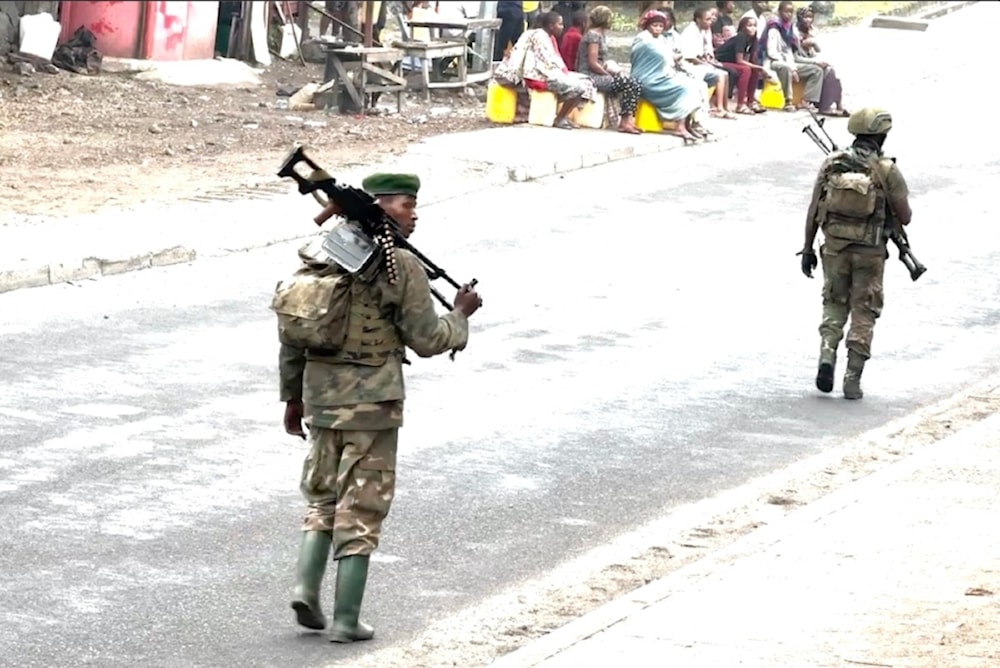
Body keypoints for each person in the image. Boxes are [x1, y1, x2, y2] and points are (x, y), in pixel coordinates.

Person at [278, 172, 483, 641]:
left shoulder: (321, 255)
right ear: (382, 208)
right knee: (363, 506)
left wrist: (293, 397)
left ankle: (306, 589)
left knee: (323, 497)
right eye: (406, 205)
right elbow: (428, 340)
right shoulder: (401, 266)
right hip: (374, 403)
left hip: (323, 399)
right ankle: (347, 620)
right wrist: (460, 313)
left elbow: (292, 332)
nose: (414, 214)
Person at [797, 108, 912, 400]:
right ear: (882, 136)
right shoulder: (887, 170)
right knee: (865, 310)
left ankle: (826, 355)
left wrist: (808, 248)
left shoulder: (832, 163)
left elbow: (814, 209)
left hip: (834, 247)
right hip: (870, 253)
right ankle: (852, 379)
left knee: (834, 303)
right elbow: (905, 216)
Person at [494, 11, 598, 129]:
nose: (562, 27)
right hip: (535, 76)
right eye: (560, 24)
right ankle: (560, 118)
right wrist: (562, 74)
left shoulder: (539, 35)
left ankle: (564, 116)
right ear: (551, 26)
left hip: (536, 73)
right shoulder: (541, 37)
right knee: (579, 87)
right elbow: (547, 62)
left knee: (582, 82)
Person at [630, 10, 708, 142]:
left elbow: (669, 55)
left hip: (661, 75)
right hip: (648, 79)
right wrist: (674, 57)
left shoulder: (660, 39)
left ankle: (687, 124)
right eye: (654, 25)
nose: (658, 28)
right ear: (648, 25)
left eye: (660, 26)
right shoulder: (643, 40)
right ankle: (680, 126)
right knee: (686, 89)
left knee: (695, 85)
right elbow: (664, 55)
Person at [577, 5, 642, 134]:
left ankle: (628, 120)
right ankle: (624, 122)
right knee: (629, 84)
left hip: (598, 72)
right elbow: (593, 63)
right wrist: (608, 75)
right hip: (590, 74)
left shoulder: (601, 35)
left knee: (635, 83)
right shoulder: (593, 36)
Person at [758, 0, 824, 112]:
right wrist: (791, 66)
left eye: (791, 12)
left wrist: (793, 65)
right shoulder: (774, 27)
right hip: (772, 61)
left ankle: (805, 100)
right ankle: (788, 101)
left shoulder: (789, 28)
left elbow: (789, 50)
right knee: (786, 68)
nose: (788, 14)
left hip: (788, 60)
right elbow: (772, 52)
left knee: (816, 70)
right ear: (780, 12)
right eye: (786, 12)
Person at [679, 6, 735, 119]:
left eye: (711, 19)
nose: (711, 21)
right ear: (698, 20)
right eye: (707, 19)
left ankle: (724, 107)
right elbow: (689, 56)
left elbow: (707, 50)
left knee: (725, 73)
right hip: (688, 65)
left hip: (700, 62)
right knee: (719, 75)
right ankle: (719, 108)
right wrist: (705, 64)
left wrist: (710, 60)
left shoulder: (705, 30)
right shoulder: (690, 32)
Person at [797, 6, 848, 117]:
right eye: (805, 17)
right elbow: (795, 56)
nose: (808, 20)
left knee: (831, 71)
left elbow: (818, 50)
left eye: (810, 17)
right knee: (820, 70)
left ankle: (836, 104)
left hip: (810, 60)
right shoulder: (795, 33)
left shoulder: (811, 31)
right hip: (799, 62)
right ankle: (821, 105)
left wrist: (813, 43)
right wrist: (802, 46)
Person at [715, 15, 769, 114]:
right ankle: (740, 105)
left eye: (754, 25)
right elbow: (739, 60)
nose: (753, 28)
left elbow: (751, 59)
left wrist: (759, 68)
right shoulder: (741, 37)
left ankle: (750, 102)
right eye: (749, 25)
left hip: (733, 62)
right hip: (719, 61)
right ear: (743, 27)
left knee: (753, 69)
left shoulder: (753, 40)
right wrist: (758, 67)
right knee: (746, 69)